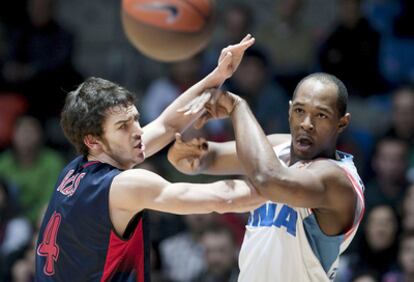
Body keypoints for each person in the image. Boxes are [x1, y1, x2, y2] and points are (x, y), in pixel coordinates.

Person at [35, 35, 264, 282]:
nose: (137, 131)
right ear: (93, 141)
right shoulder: (123, 186)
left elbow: (167, 124)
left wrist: (219, 76)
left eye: (135, 118)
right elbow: (223, 199)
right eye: (123, 126)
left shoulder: (74, 170)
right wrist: (286, 183)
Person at [168, 72, 365, 281]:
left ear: (342, 123)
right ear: (289, 111)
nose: (306, 123)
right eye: (299, 110)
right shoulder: (277, 148)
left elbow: (268, 178)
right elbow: (210, 157)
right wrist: (185, 154)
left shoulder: (338, 179)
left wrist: (237, 106)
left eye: (321, 115)